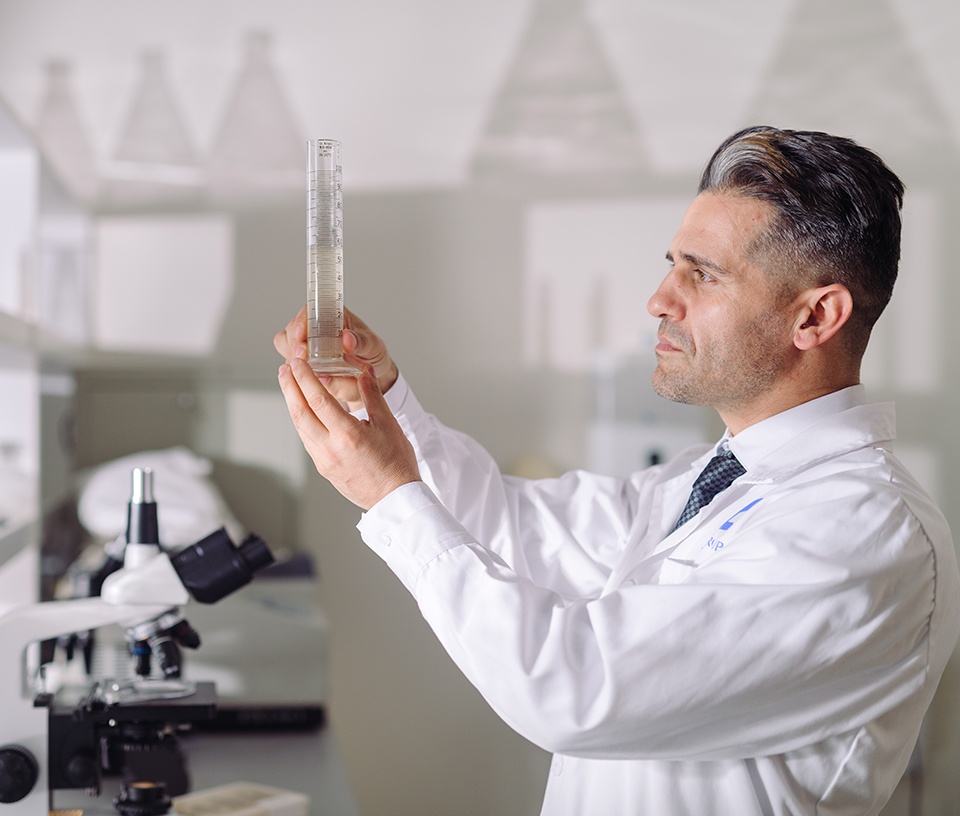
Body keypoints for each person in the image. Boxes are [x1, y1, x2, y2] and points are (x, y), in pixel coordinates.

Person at [275, 126, 960, 815]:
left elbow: (575, 689)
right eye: (672, 264)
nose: (660, 299)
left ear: (815, 316)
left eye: (703, 274)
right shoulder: (708, 480)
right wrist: (387, 402)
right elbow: (514, 526)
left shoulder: (862, 531)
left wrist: (392, 495)